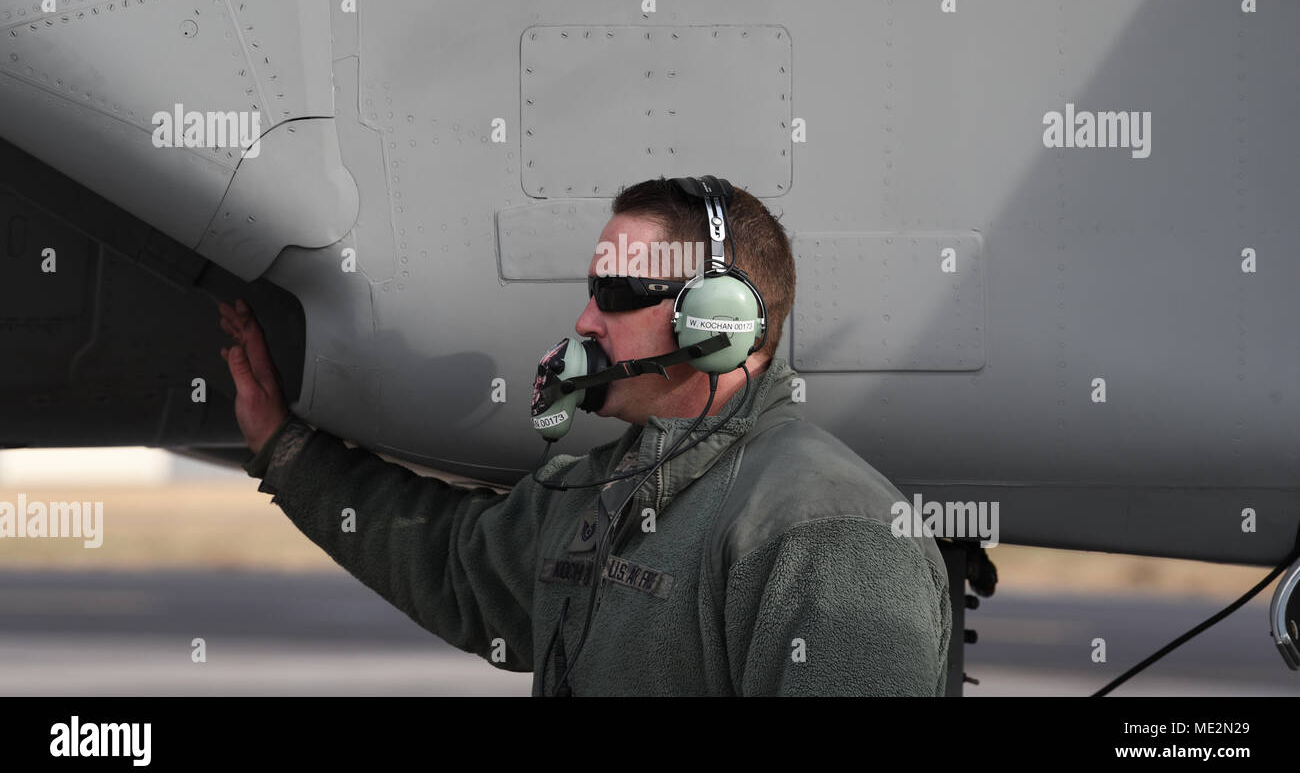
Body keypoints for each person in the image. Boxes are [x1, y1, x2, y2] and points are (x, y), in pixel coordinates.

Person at [220, 176, 952, 695]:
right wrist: (287, 449)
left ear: (715, 321)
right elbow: (453, 565)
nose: (585, 322)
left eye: (617, 293)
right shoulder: (603, 490)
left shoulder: (828, 535)